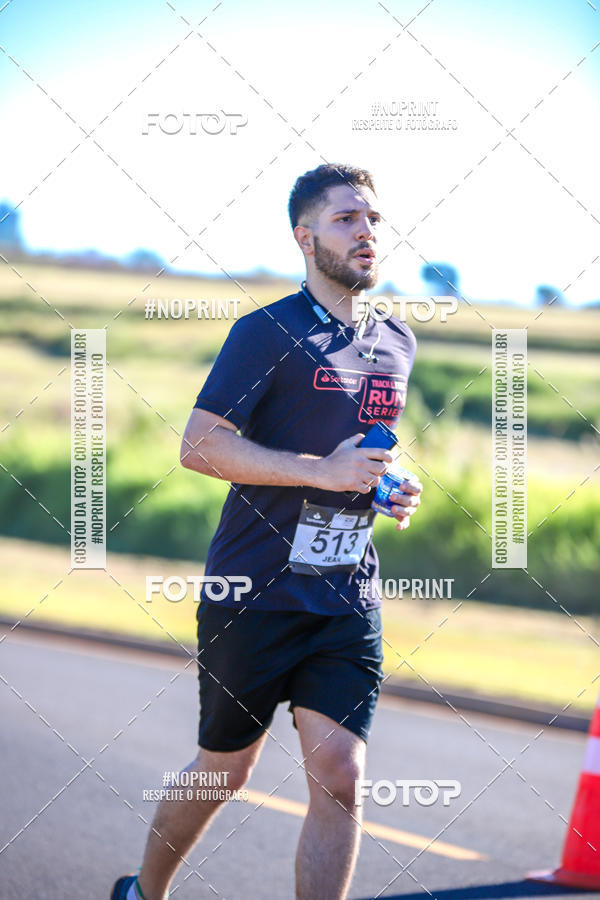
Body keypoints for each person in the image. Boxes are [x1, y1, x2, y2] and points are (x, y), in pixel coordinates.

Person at [112, 163, 422, 900]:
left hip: (347, 594)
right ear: (304, 236)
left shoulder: (399, 340)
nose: (367, 232)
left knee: (341, 777)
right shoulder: (267, 332)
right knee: (226, 769)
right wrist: (322, 472)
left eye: (373, 218)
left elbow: (365, 446)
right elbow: (200, 445)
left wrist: (391, 484)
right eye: (347, 219)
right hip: (253, 590)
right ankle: (143, 893)